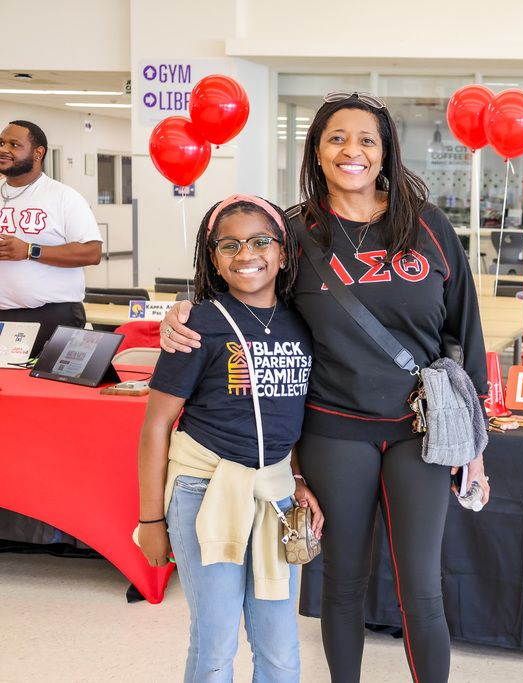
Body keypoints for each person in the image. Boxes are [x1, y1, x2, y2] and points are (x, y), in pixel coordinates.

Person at [161, 91, 490, 683]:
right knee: (342, 580)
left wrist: (476, 449)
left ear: (385, 150)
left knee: (422, 585)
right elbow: (243, 292)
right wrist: (182, 312)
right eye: (337, 137)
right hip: (334, 430)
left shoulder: (428, 225)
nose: (352, 151)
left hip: (420, 431)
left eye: (367, 139)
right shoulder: (292, 232)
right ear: (316, 149)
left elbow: (465, 332)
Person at [138, 194, 321, 682]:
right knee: (215, 643)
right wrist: (150, 519)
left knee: (281, 647)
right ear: (213, 259)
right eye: (230, 245)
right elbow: (156, 425)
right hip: (203, 492)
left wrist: (297, 477)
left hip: (277, 497)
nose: (247, 254)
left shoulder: (302, 323)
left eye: (262, 241)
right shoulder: (198, 323)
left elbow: (293, 413)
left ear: (284, 252)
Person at [0, 120, 102, 357]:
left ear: (38, 153)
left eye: (14, 144)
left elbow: (92, 252)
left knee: (44, 389)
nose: (4, 149)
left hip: (51, 315)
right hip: (3, 315)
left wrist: (30, 250)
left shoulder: (64, 197)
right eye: (1, 143)